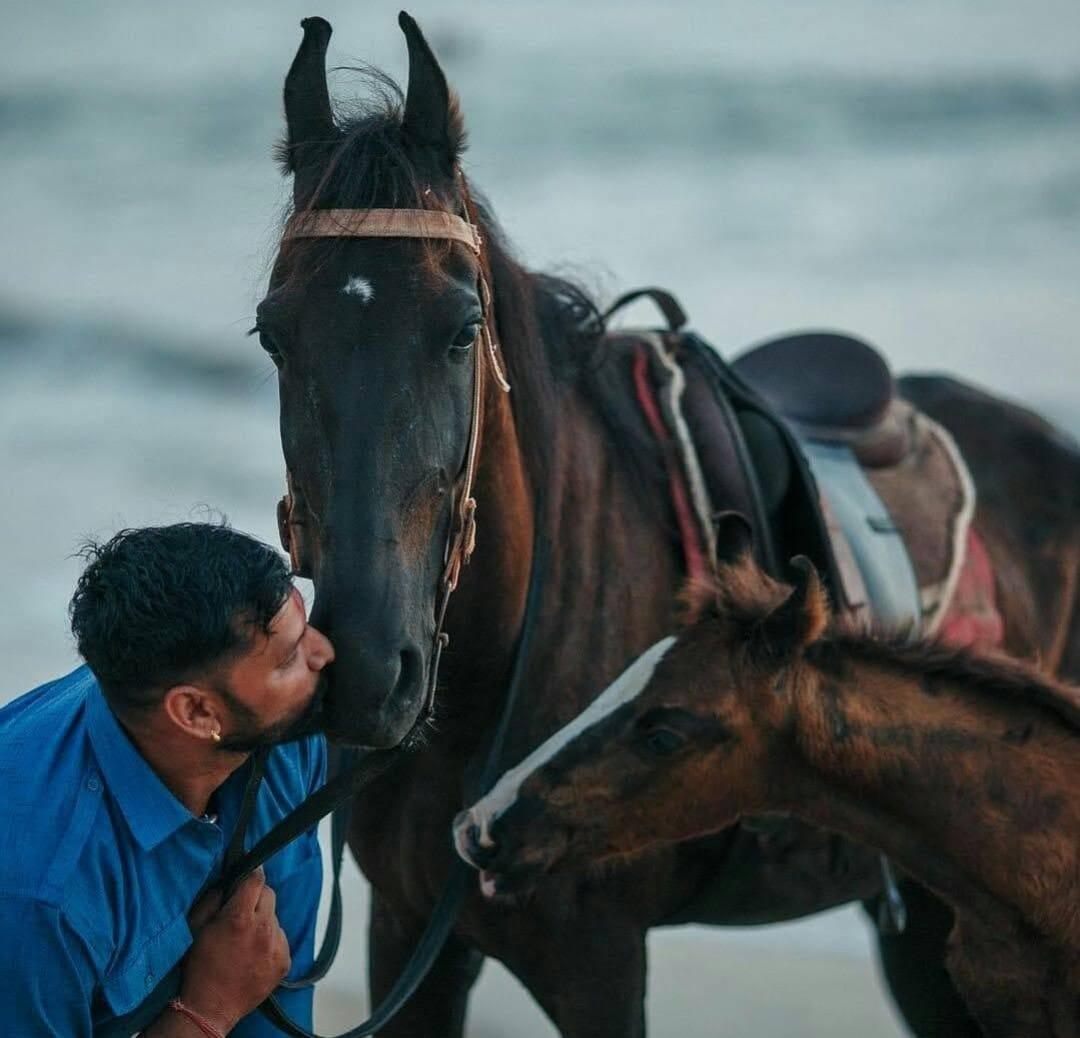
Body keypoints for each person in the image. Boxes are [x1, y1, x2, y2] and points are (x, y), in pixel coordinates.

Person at [0, 522, 336, 1036]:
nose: (323, 653)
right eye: (289, 658)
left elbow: (281, 989)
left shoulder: (281, 737)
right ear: (197, 713)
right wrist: (208, 1010)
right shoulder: (42, 901)